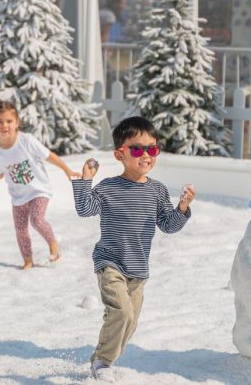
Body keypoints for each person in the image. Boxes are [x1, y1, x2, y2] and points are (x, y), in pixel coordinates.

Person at [71, 116, 196, 381]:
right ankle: (103, 363)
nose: (146, 155)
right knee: (122, 312)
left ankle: (100, 358)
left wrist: (182, 208)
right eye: (138, 149)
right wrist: (85, 181)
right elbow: (84, 209)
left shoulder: (158, 191)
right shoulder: (108, 187)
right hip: (110, 263)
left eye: (152, 149)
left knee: (130, 321)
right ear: (120, 154)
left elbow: (168, 225)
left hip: (138, 269)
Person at [0, 100, 80, 270]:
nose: (4, 125)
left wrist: (67, 170)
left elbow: (49, 156)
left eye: (9, 121)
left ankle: (53, 243)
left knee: (36, 220)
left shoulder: (27, 141)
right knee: (20, 230)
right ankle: (28, 261)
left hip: (39, 190)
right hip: (18, 196)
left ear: (17, 122)